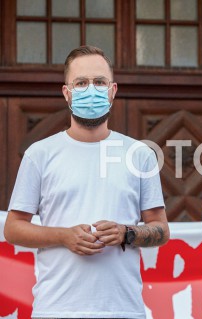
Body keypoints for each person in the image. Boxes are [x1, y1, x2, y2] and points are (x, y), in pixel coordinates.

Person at [4, 45, 170, 319]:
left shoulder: (139, 155)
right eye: (81, 83)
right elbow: (13, 228)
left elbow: (161, 229)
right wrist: (63, 236)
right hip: (55, 309)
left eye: (99, 82)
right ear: (66, 93)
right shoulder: (40, 154)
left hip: (123, 310)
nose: (91, 89)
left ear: (113, 90)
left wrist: (126, 232)